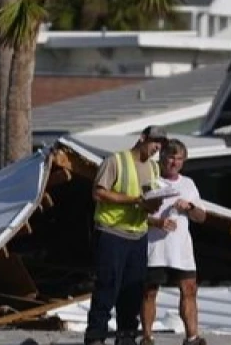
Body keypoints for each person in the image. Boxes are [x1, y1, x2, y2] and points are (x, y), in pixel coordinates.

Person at [85, 126, 168, 345]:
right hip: (112, 231)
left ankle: (126, 335)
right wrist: (134, 200)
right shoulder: (116, 161)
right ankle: (96, 335)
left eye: (161, 144)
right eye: (154, 142)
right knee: (107, 285)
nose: (157, 148)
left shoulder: (153, 168)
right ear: (142, 139)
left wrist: (152, 205)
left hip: (138, 234)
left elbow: (149, 201)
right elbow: (99, 192)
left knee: (133, 288)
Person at [139, 139, 207, 345]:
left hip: (181, 250)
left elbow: (202, 216)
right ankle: (147, 336)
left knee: (188, 289)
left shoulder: (188, 184)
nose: (174, 163)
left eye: (179, 159)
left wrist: (189, 207)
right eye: (171, 157)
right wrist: (157, 222)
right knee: (149, 291)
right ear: (162, 159)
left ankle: (192, 337)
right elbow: (136, 214)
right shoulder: (150, 181)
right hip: (155, 248)